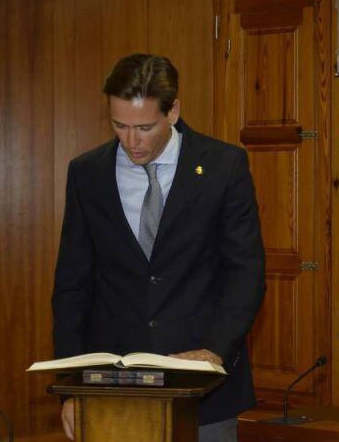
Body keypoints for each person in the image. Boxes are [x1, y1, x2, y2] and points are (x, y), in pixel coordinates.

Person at [52, 53, 266, 441]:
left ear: (173, 111)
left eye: (145, 127)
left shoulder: (223, 165)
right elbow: (72, 285)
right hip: (112, 390)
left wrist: (215, 352)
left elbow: (245, 271)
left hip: (203, 390)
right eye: (120, 125)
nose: (132, 141)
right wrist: (70, 387)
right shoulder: (87, 173)